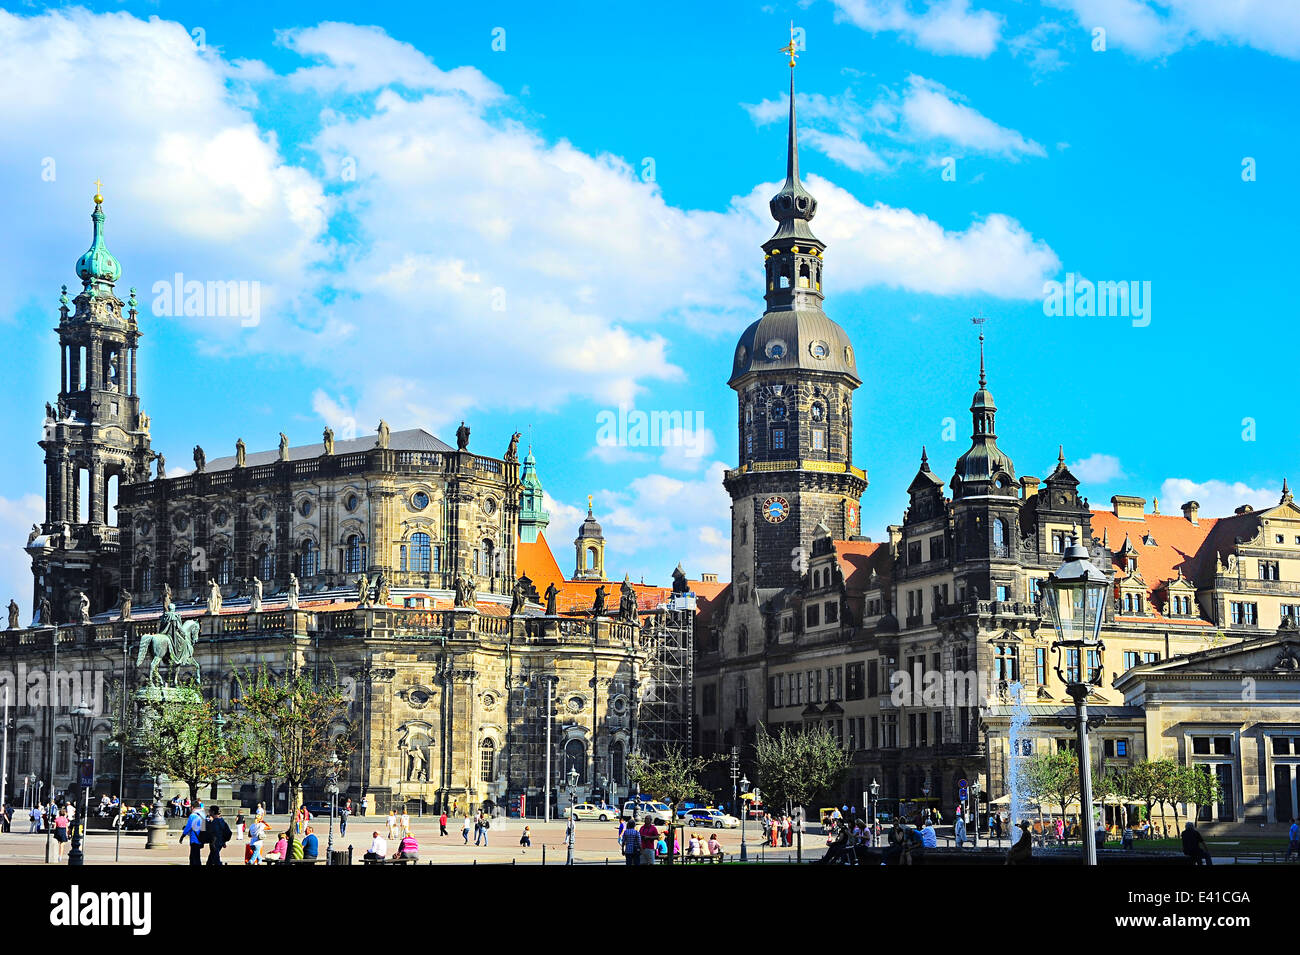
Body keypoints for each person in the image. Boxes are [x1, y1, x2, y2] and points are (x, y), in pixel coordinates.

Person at [181, 801, 205, 866]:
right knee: (197, 856)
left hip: (194, 838)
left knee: (193, 857)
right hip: (201, 838)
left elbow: (188, 827)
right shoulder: (203, 815)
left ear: (192, 807)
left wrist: (182, 836)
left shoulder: (192, 815)